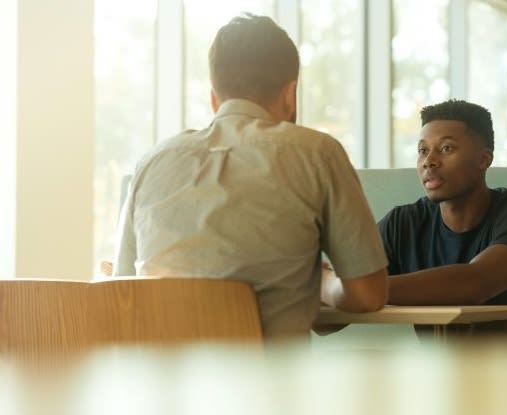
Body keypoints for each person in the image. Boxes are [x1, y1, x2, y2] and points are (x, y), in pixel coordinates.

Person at [112, 13, 388, 340]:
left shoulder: (151, 162)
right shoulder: (317, 153)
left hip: (160, 386)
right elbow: (368, 295)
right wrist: (324, 284)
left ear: (214, 98)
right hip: (270, 386)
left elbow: (121, 291)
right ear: (290, 94)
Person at [378, 99, 507, 334]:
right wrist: (330, 287)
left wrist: (357, 290)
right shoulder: (402, 224)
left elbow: (475, 284)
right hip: (435, 369)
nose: (429, 161)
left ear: (484, 159)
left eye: (446, 148)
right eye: (423, 150)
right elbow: (327, 323)